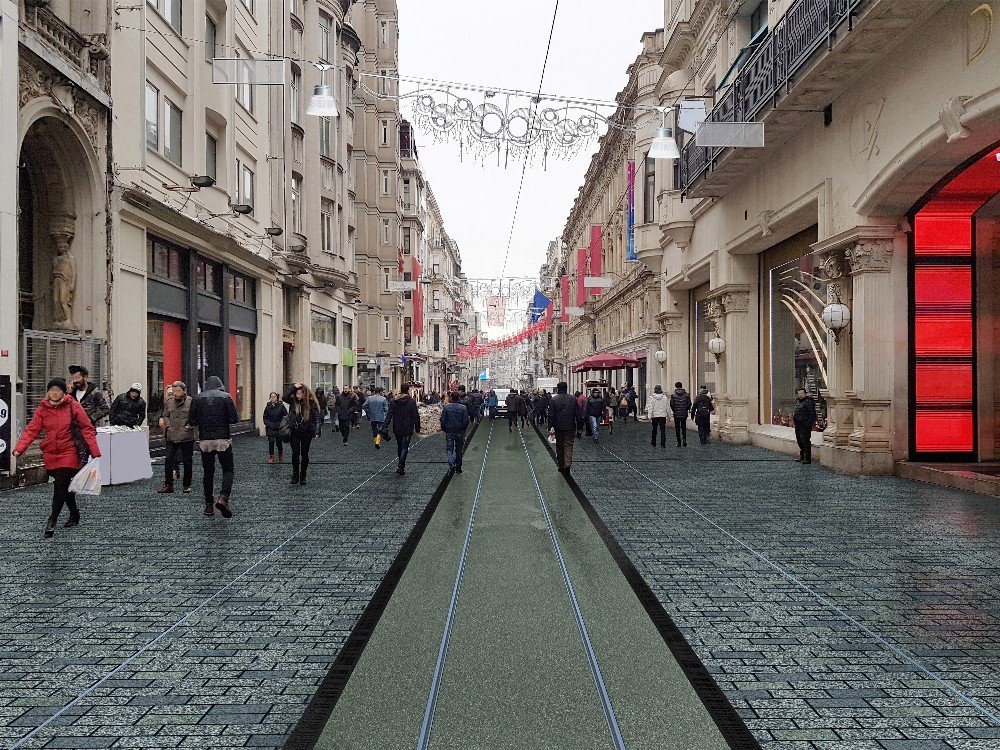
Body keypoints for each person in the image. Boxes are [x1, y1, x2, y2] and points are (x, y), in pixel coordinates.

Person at [13, 377, 101, 538]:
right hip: (51, 453)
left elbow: (86, 428)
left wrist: (95, 450)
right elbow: (32, 430)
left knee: (60, 484)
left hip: (69, 452)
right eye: (52, 390)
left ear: (63, 392)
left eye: (58, 390)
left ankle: (52, 520)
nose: (55, 393)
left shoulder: (72, 406)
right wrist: (20, 448)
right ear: (48, 392)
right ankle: (74, 513)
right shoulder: (43, 408)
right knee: (64, 486)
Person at [188, 375, 239, 519]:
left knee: (208, 472)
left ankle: (208, 506)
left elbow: (192, 420)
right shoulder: (225, 396)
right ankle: (223, 497)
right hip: (223, 438)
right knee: (228, 469)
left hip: (205, 440)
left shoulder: (197, 398)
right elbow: (234, 418)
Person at [158, 381, 196, 493]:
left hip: (187, 437)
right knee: (168, 460)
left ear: (184, 391)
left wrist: (189, 426)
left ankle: (187, 485)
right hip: (172, 436)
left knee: (187, 461)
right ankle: (168, 484)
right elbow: (165, 415)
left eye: (178, 391)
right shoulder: (169, 403)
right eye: (174, 391)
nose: (175, 394)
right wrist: (168, 426)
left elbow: (195, 416)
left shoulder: (191, 402)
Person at [284, 382, 321, 485]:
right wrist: (294, 387)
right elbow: (284, 397)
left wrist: (317, 430)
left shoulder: (311, 402)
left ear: (304, 394)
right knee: (295, 453)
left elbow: (316, 417)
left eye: (300, 394)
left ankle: (303, 475)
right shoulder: (292, 401)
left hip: (307, 431)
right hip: (295, 431)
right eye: (297, 394)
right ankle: (295, 474)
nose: (298, 396)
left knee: (304, 454)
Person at [386, 383, 421, 475]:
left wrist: (385, 426)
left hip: (397, 426)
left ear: (400, 390)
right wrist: (417, 427)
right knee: (405, 447)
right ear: (408, 390)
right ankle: (401, 465)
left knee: (399, 446)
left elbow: (389, 415)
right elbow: (415, 415)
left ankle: (400, 464)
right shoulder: (411, 401)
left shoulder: (394, 401)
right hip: (408, 427)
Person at [548, 382, 579, 475]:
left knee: (559, 446)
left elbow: (551, 415)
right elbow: (578, 414)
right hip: (570, 427)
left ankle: (561, 465)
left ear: (558, 389)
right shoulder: (573, 399)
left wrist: (550, 427)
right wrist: (580, 427)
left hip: (558, 427)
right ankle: (567, 465)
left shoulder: (554, 400)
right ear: (566, 388)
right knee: (568, 445)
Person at [440, 391, 470, 475]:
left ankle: (452, 464)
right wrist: (463, 428)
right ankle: (458, 467)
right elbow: (465, 420)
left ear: (451, 398)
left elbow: (443, 419)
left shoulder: (446, 407)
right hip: (460, 431)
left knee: (449, 450)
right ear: (459, 398)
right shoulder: (463, 408)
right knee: (459, 450)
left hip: (449, 431)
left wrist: (444, 429)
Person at [793, 387, 817, 464]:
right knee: (799, 440)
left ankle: (807, 458)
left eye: (801, 393)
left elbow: (812, 414)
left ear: (805, 393)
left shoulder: (809, 402)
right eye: (798, 393)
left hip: (805, 425)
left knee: (805, 441)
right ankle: (802, 456)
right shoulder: (798, 401)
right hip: (798, 424)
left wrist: (809, 423)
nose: (799, 395)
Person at [263, 392, 287, 463]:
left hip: (279, 427)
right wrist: (268, 424)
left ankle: (280, 453)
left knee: (278, 442)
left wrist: (281, 424)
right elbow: (265, 417)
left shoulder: (281, 406)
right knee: (271, 442)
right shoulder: (268, 406)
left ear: (277, 397)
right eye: (272, 397)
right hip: (270, 427)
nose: (273, 398)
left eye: (274, 396)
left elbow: (286, 416)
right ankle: (271, 457)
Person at [669, 381, 692, 447]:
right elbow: (689, 404)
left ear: (676, 386)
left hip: (676, 414)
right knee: (683, 427)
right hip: (684, 413)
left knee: (677, 428)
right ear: (681, 386)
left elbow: (672, 404)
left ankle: (679, 442)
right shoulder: (686, 395)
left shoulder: (673, 395)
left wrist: (674, 410)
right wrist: (686, 409)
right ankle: (684, 441)